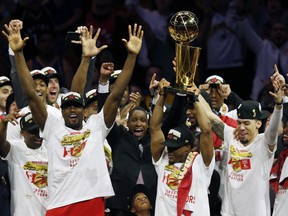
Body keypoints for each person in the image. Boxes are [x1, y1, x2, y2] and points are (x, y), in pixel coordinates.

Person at [3, 21, 144, 215]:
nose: (72, 110)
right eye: (67, 106)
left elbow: (116, 95)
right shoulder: (53, 124)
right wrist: (18, 54)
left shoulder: (96, 125)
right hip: (59, 204)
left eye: (77, 107)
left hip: (91, 200)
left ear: (85, 111)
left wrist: (131, 56)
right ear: (60, 110)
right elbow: (30, 93)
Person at [201, 65, 284, 215]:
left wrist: (279, 105)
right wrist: (196, 92)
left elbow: (273, 128)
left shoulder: (264, 143)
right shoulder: (231, 136)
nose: (241, 127)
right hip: (228, 212)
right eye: (239, 122)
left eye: (247, 123)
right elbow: (210, 115)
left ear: (258, 124)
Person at [149, 78, 215, 215]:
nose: (170, 150)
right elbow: (155, 128)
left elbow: (207, 132)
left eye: (175, 147)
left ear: (188, 147)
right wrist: (162, 95)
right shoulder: (163, 159)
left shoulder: (201, 164)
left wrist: (196, 99)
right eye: (169, 146)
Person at [0, 112, 48, 216]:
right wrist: (3, 123)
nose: (38, 135)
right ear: (22, 133)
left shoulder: (51, 148)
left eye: (40, 130)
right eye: (33, 131)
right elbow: (1, 144)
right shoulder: (15, 149)